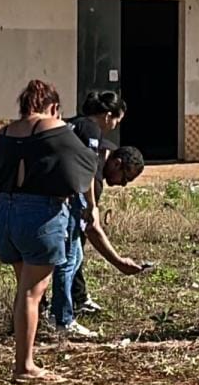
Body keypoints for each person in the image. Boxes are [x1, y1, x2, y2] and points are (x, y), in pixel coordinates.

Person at [0, 80, 97, 384]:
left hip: (5, 212)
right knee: (32, 294)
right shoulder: (56, 129)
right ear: (54, 107)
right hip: (39, 216)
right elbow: (88, 165)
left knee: (24, 291)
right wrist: (91, 207)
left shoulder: (4, 134)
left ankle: (24, 356)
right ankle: (24, 366)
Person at [50, 141, 148, 338]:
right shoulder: (93, 177)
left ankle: (68, 306)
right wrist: (118, 261)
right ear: (116, 163)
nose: (123, 184)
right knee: (67, 262)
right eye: (125, 178)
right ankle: (62, 318)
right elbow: (91, 228)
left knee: (74, 258)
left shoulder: (100, 155)